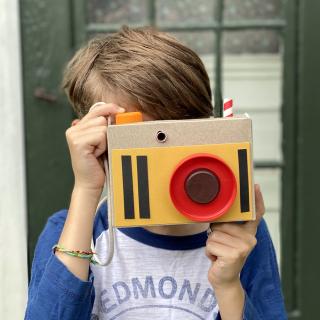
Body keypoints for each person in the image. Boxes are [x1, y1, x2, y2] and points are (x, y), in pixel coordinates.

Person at [25, 26, 287, 320]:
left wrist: (228, 285)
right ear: (92, 142)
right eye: (137, 137)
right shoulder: (73, 231)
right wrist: (86, 190)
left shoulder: (239, 234)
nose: (162, 159)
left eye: (173, 133)